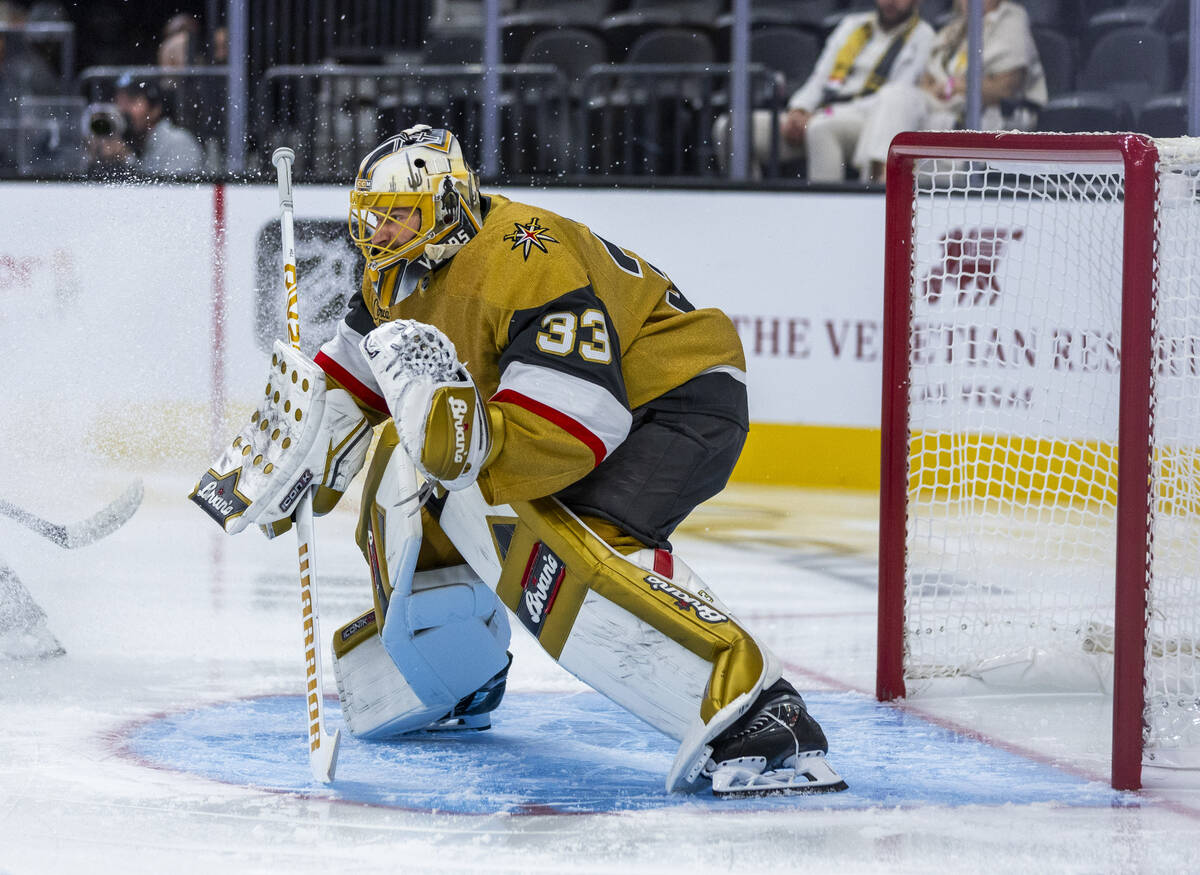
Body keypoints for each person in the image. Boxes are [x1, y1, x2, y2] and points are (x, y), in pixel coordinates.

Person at [192, 125, 847, 796]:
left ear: (447, 205)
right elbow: (348, 383)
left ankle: (764, 714)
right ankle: (456, 668)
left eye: (398, 215)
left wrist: (475, 440)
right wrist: (297, 461)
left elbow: (583, 417)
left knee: (566, 545)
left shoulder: (525, 253)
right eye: (373, 216)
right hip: (605, 403)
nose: (379, 233)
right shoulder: (392, 272)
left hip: (679, 395)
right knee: (407, 461)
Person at [713, 0, 934, 181]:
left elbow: (895, 94)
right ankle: (749, 209)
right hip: (822, 110)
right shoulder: (852, 26)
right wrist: (799, 109)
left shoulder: (923, 36)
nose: (892, 2)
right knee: (730, 128)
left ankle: (827, 219)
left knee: (822, 127)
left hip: (867, 120)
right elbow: (820, 78)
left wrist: (820, 114)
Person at [854, 0, 1047, 181]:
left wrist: (957, 87)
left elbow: (1007, 88)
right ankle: (881, 183)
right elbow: (925, 80)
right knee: (894, 94)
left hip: (981, 125)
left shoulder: (1010, 20)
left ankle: (886, 187)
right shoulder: (956, 28)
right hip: (938, 115)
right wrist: (944, 88)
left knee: (905, 123)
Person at [86, 73, 204, 176]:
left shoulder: (177, 142)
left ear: (155, 109)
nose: (122, 109)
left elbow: (168, 195)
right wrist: (98, 159)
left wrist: (126, 159)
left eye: (131, 101)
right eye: (118, 101)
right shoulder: (129, 140)